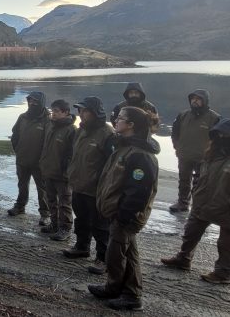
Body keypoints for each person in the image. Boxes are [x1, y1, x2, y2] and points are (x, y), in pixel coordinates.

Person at [161, 118, 230, 284]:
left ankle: (223, 272)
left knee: (227, 244)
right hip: (203, 204)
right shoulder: (212, 154)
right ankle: (183, 259)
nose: (220, 138)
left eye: (224, 135)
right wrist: (196, 190)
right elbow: (199, 174)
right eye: (217, 134)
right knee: (190, 233)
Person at [88, 106, 159, 311]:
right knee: (128, 253)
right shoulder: (125, 147)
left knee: (117, 254)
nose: (116, 121)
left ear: (131, 125)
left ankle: (131, 296)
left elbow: (139, 191)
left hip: (126, 215)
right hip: (117, 212)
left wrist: (124, 214)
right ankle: (116, 288)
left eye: (120, 118)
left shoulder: (140, 155)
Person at [64, 97, 114, 274]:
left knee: (101, 226)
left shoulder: (108, 134)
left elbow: (112, 164)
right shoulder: (81, 131)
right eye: (80, 110)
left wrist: (104, 186)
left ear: (95, 112)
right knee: (81, 218)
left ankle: (103, 258)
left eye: (85, 111)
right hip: (78, 184)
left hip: (96, 189)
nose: (81, 114)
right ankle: (82, 247)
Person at [169, 89, 221, 212]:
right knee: (184, 180)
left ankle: (198, 206)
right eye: (193, 99)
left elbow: (218, 139)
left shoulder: (215, 118)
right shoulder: (183, 115)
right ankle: (182, 203)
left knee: (200, 183)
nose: (195, 101)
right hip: (184, 155)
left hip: (204, 158)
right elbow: (175, 132)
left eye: (198, 99)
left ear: (205, 101)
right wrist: (177, 146)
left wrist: (212, 154)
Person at [7, 92, 51, 226]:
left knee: (42, 189)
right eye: (30, 101)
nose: (32, 103)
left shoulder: (48, 120)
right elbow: (15, 135)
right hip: (22, 159)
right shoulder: (22, 117)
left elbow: (49, 142)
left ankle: (45, 214)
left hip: (40, 162)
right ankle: (20, 206)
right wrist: (18, 150)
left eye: (35, 101)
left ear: (41, 103)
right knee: (22, 184)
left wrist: (44, 158)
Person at [39, 99, 76, 240]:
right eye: (52, 110)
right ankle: (54, 225)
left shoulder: (72, 130)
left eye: (56, 111)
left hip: (63, 175)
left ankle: (65, 229)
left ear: (66, 112)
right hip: (49, 171)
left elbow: (73, 154)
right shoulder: (51, 126)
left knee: (64, 203)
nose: (53, 113)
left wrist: (67, 171)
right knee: (51, 200)